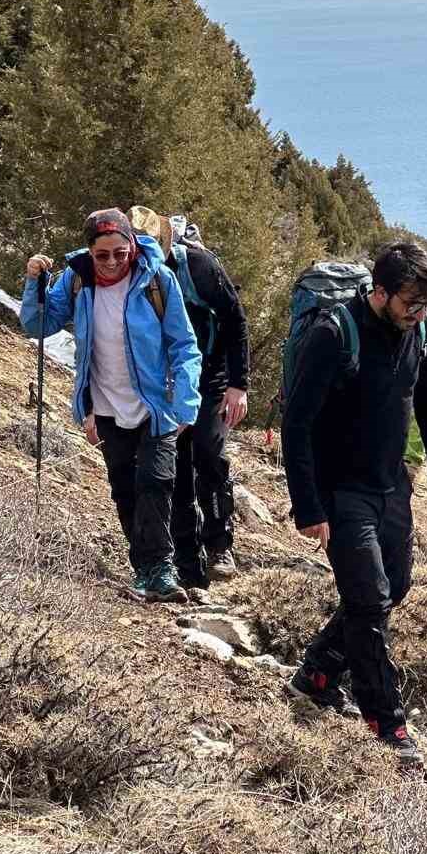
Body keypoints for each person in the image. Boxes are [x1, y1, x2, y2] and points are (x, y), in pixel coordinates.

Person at [283, 241, 427, 765]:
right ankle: (385, 719)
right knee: (368, 600)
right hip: (341, 491)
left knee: (396, 586)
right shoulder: (333, 334)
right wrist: (308, 505)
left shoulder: (420, 333)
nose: (420, 312)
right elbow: (296, 425)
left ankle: (317, 672)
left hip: (391, 485)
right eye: (411, 302)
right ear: (379, 291)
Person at [21, 208, 202, 602]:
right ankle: (144, 569)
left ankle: (161, 569)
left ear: (132, 245)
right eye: (102, 255)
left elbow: (185, 345)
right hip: (104, 405)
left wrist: (186, 401)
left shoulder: (157, 279)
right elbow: (39, 325)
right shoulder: (78, 278)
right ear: (90, 252)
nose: (112, 262)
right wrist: (34, 282)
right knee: (124, 488)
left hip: (156, 405)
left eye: (120, 252)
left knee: (156, 481)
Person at [131, 208, 250, 588]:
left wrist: (238, 384)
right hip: (162, 382)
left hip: (210, 376)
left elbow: (235, 319)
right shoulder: (124, 274)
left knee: (210, 452)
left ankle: (219, 544)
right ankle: (188, 566)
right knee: (176, 468)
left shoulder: (199, 266)